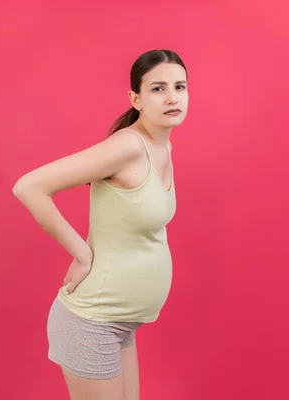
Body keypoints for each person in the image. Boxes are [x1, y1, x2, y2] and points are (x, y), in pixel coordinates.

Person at [12, 49, 189, 400]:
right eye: (157, 89)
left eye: (179, 87)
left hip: (120, 323)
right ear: (135, 98)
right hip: (92, 323)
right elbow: (29, 187)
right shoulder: (127, 147)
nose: (172, 97)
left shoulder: (162, 147)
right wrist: (82, 254)